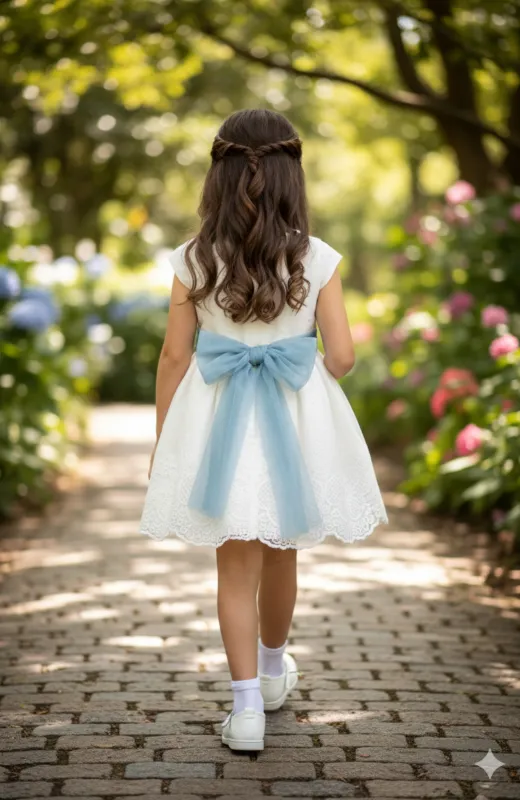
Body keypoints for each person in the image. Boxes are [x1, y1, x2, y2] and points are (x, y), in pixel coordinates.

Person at [139, 108, 387, 752]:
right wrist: (301, 353)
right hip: (295, 420)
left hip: (216, 418)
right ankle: (274, 671)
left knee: (233, 569)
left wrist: (165, 438)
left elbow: (173, 356)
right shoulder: (317, 256)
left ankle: (245, 709)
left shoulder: (194, 258)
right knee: (284, 551)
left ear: (217, 177)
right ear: (290, 177)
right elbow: (341, 358)